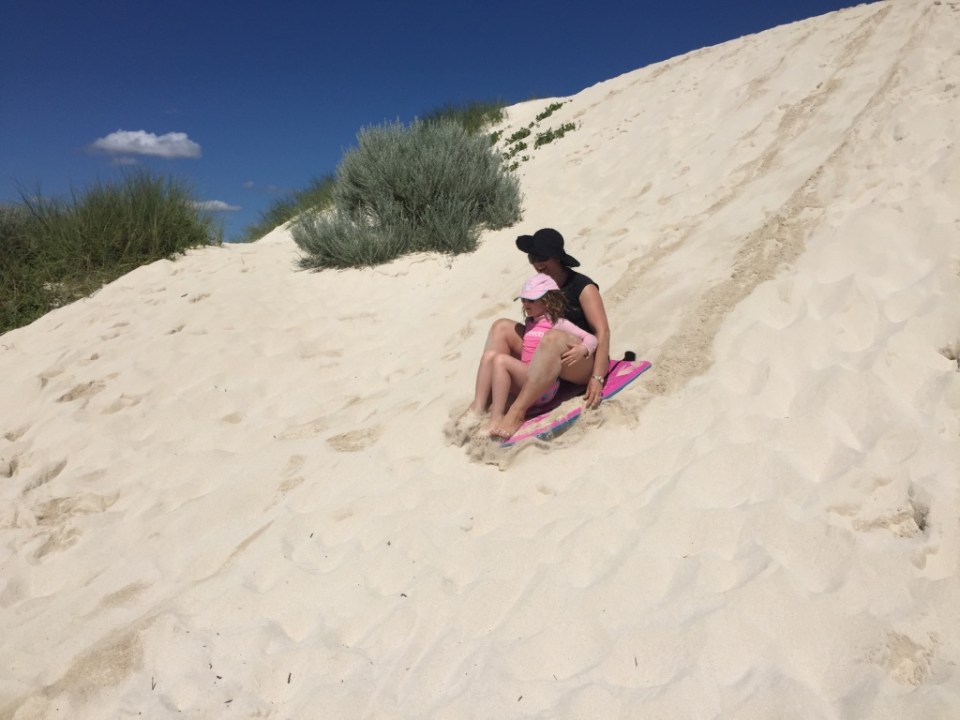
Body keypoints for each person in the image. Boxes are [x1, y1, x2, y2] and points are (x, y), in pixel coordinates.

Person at [472, 228, 611, 439]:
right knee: (501, 326)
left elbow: (603, 332)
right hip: (550, 359)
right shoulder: (543, 286)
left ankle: (517, 411)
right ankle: (480, 404)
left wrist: (598, 378)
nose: (537, 263)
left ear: (557, 258)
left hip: (580, 361)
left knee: (553, 337)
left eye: (542, 257)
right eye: (533, 257)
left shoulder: (582, 287)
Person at [468, 273, 598, 435]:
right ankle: (477, 408)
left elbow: (591, 338)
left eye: (531, 300)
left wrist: (583, 349)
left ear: (547, 300)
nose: (525, 304)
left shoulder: (558, 323)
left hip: (544, 387)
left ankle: (497, 418)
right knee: (489, 357)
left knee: (501, 361)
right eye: (523, 300)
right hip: (527, 376)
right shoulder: (530, 322)